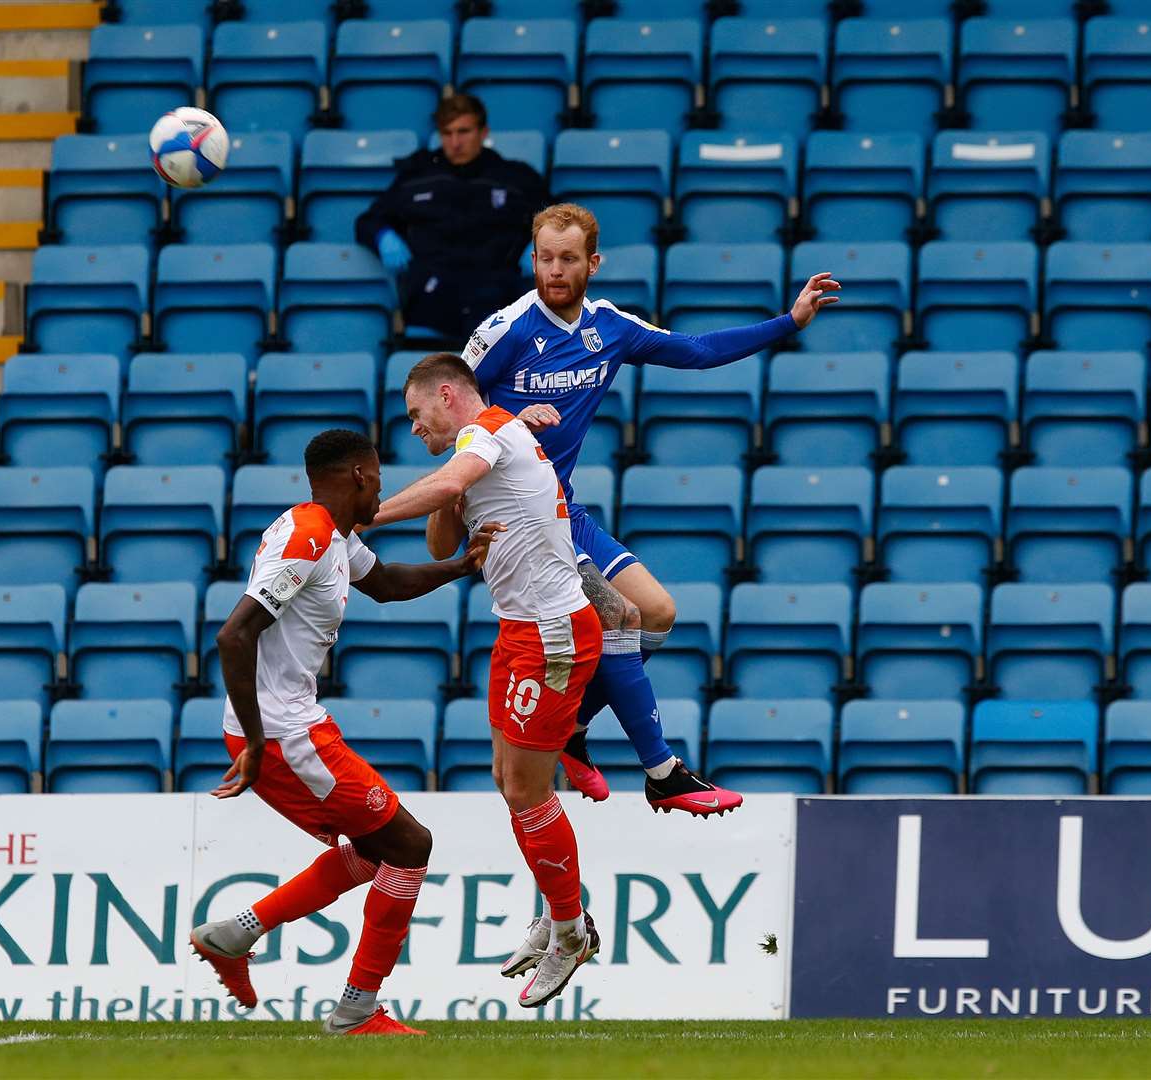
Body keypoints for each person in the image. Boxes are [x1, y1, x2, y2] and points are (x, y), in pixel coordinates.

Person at [455, 203, 841, 815]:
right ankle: (662, 769)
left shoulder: (609, 327)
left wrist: (788, 322)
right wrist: (505, 419)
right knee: (621, 615)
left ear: (593, 263)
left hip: (564, 512)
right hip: (514, 524)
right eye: (545, 258)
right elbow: (448, 398)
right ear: (533, 259)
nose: (554, 271)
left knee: (657, 613)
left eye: (568, 259)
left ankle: (573, 727)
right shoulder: (504, 330)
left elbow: (697, 349)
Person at [188, 429, 502, 1036]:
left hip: (290, 728)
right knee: (410, 846)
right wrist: (255, 742)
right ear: (359, 474)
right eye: (380, 477)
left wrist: (460, 567)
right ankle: (357, 1010)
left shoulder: (333, 536)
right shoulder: (306, 540)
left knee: (372, 852)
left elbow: (384, 585)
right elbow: (234, 636)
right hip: (283, 735)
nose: (381, 490)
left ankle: (232, 936)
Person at [369, 353, 604, 1008]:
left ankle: (568, 928)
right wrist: (451, 489)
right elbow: (444, 544)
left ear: (446, 395)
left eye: (417, 415)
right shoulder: (489, 439)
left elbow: (446, 491)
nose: (413, 429)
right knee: (511, 783)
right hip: (517, 629)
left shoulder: (489, 436)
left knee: (527, 789)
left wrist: (360, 517)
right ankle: (561, 915)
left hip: (552, 632)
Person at [354, 94, 550, 341]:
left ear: (483, 132)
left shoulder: (515, 178)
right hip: (432, 297)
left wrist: (542, 243)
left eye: (463, 131)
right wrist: (383, 236)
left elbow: (560, 220)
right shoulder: (417, 177)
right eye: (447, 134)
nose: (455, 142)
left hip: (498, 296)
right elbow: (368, 221)